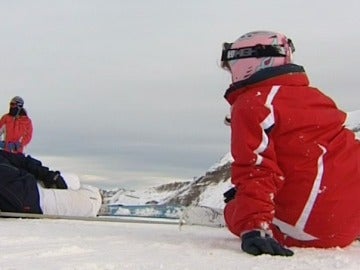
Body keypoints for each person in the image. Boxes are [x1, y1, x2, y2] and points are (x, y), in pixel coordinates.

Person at [220, 30, 360, 256]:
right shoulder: (314, 97)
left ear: (246, 62)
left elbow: (256, 167)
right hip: (350, 223)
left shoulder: (253, 103)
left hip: (311, 230)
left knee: (233, 213)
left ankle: (243, 213)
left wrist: (254, 226)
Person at [0, 150, 101, 217]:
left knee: (74, 180)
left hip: (32, 182)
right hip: (34, 200)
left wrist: (50, 176)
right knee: (93, 200)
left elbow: (24, 161)